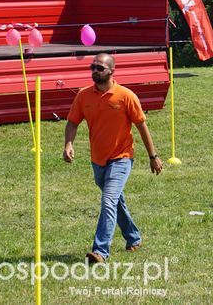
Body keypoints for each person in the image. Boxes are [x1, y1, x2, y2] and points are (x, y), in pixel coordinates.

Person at [63, 53, 163, 264]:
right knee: (115, 202)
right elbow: (72, 122)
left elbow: (141, 126)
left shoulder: (126, 96)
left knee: (108, 200)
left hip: (122, 158)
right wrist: (68, 144)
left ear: (111, 71)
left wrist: (153, 156)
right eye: (92, 67)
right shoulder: (83, 96)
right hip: (98, 160)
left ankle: (100, 251)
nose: (94, 71)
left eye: (99, 68)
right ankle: (133, 237)